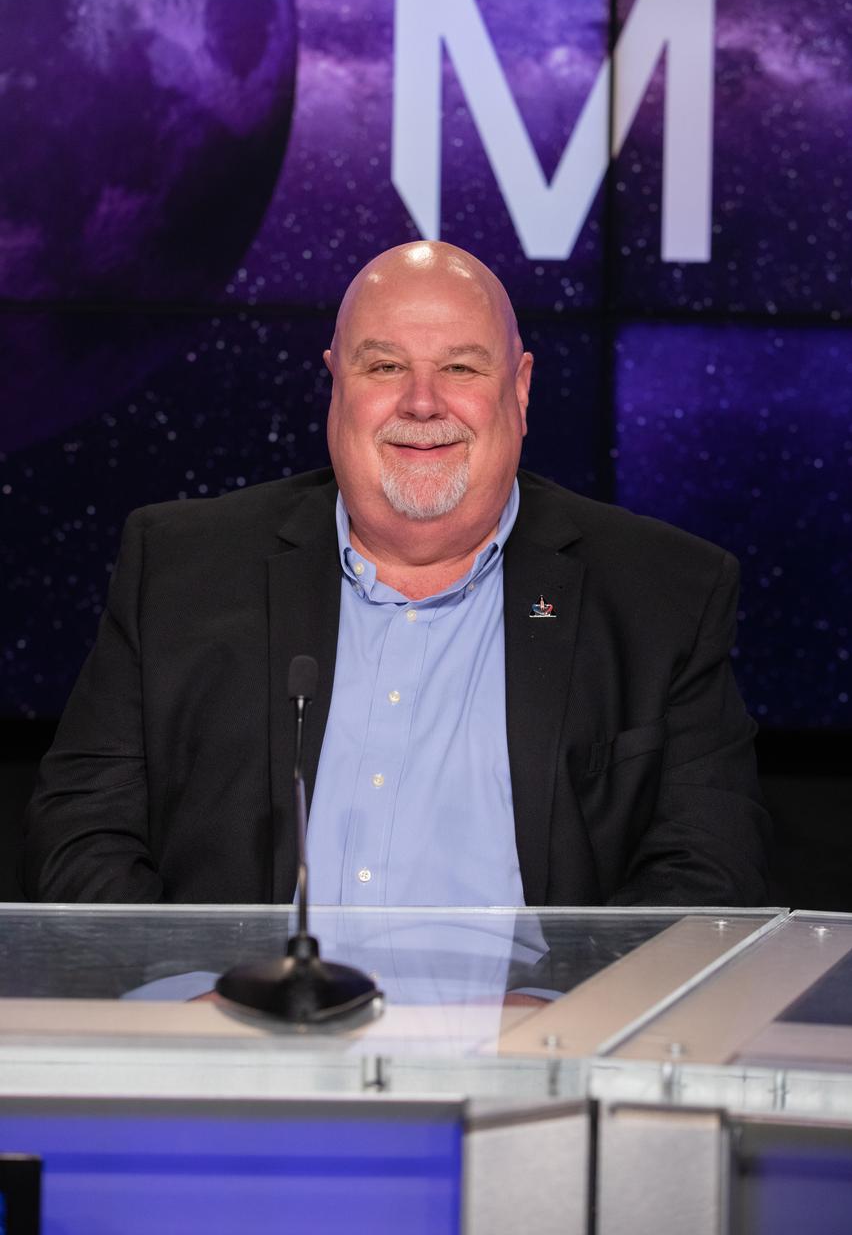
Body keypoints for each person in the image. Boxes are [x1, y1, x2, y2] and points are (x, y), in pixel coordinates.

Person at [22, 241, 770, 906]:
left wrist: (568, 1004)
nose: (421, 402)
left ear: (519, 388)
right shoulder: (180, 569)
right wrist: (194, 999)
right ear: (336, 384)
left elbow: (707, 868)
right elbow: (80, 832)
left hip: (539, 1019)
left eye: (460, 367)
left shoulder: (663, 593)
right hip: (244, 1015)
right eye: (384, 366)